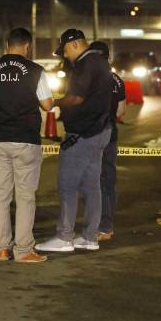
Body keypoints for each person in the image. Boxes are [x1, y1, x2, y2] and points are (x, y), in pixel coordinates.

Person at [0, 28, 53, 264]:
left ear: (7, 45)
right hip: (26, 139)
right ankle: (24, 249)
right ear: (27, 46)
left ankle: (2, 249)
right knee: (25, 196)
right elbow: (47, 105)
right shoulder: (36, 71)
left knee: (0, 195)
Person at [35, 29, 113, 253]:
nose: (65, 55)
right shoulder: (100, 61)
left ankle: (64, 237)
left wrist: (55, 103)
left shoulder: (84, 64)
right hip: (100, 130)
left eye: (65, 50)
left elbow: (76, 98)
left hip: (82, 133)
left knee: (67, 185)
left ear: (75, 44)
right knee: (92, 186)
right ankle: (90, 237)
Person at [88, 40, 126, 242]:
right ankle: (106, 226)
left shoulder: (86, 78)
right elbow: (120, 111)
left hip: (89, 134)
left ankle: (97, 224)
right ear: (108, 57)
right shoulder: (116, 80)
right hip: (110, 132)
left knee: (90, 179)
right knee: (108, 179)